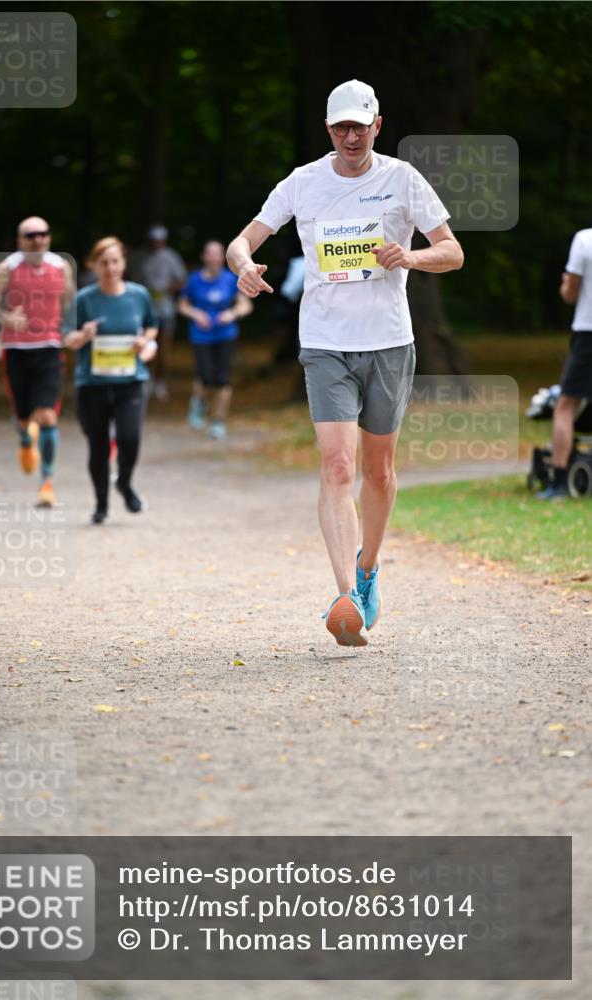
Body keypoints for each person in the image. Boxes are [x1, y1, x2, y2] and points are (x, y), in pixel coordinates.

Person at [227, 79, 463, 647]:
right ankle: (345, 598)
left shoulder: (402, 180)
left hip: (387, 341)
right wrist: (243, 265)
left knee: (378, 472)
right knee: (337, 467)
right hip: (326, 342)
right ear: (328, 130)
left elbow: (452, 252)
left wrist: (409, 255)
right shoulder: (303, 183)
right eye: (340, 127)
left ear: (377, 125)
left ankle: (368, 568)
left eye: (360, 125)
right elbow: (243, 240)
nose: (351, 135)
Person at [65, 237, 158, 524]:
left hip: (130, 381)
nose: (110, 268)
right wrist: (83, 337)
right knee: (99, 445)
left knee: (130, 438)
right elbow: (68, 338)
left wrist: (144, 342)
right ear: (93, 266)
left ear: (124, 263)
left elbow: (152, 327)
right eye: (103, 263)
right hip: (92, 384)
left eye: (115, 261)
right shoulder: (84, 299)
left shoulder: (139, 295)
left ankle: (125, 482)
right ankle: (101, 503)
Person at [0, 217, 75, 508]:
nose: (38, 239)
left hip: (49, 349)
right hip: (16, 350)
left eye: (43, 234)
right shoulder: (7, 268)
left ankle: (46, 483)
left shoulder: (61, 267)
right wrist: (6, 316)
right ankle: (26, 440)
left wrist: (69, 330)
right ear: (19, 240)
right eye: (31, 235)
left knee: (48, 416)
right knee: (25, 419)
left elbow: (70, 303)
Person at [536, 226, 592, 500]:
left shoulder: (585, 239)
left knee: (565, 406)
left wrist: (565, 284)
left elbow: (570, 294)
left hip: (588, 333)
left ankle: (559, 482)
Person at [178, 240, 253, 439]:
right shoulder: (194, 280)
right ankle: (199, 403)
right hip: (201, 336)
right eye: (210, 254)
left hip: (225, 335)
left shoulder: (231, 279)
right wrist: (196, 314)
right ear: (204, 257)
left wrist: (231, 314)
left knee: (223, 380)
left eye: (217, 254)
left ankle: (218, 421)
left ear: (223, 258)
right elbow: (183, 305)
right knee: (205, 377)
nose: (213, 258)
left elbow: (245, 306)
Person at [130, 225, 187, 401]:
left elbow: (181, 280)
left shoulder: (171, 257)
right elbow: (132, 278)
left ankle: (160, 383)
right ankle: (146, 380)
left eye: (159, 241)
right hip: (144, 309)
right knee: (145, 345)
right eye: (153, 241)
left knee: (164, 350)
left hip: (165, 309)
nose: (156, 244)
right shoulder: (140, 257)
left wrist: (168, 289)